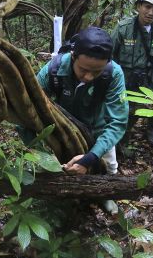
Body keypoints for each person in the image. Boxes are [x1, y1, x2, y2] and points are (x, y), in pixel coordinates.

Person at [36, 26, 129, 213]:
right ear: (73, 56)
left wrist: (90, 158)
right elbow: (30, 107)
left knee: (109, 164)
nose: (88, 77)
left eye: (96, 72)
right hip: (64, 128)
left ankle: (106, 194)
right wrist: (37, 147)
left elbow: (117, 122)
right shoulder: (52, 71)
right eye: (83, 70)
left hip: (98, 127)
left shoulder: (113, 74)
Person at [111, 0, 153, 146]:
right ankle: (121, 140)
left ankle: (145, 132)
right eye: (147, 7)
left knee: (143, 110)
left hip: (145, 79)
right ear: (139, 6)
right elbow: (109, 56)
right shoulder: (124, 28)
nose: (151, 12)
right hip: (123, 78)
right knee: (122, 112)